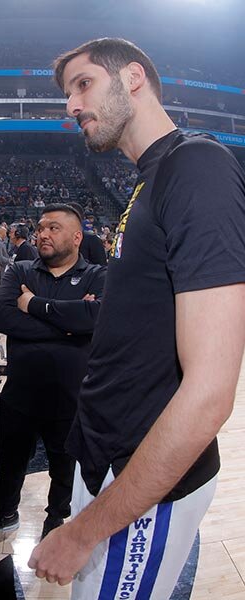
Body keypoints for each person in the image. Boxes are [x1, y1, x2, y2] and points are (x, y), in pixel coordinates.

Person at [27, 37, 245, 598]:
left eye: (83, 84)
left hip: (143, 483)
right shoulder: (150, 182)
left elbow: (209, 393)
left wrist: (83, 533)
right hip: (110, 462)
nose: (71, 105)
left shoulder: (197, 165)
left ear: (133, 78)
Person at [0, 204, 105, 542]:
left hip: (71, 398)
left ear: (76, 237)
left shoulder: (97, 276)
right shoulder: (21, 270)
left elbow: (97, 319)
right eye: (41, 227)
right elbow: (1, 317)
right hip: (20, 394)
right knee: (11, 462)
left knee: (65, 467)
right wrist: (70, 323)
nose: (43, 233)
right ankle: (5, 514)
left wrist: (33, 306)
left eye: (54, 228)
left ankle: (55, 521)